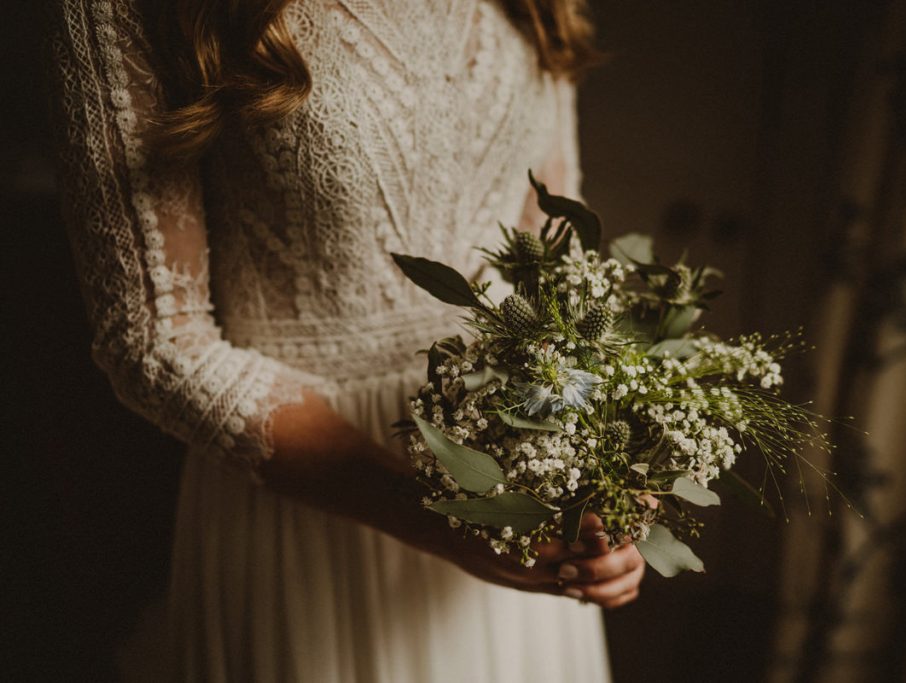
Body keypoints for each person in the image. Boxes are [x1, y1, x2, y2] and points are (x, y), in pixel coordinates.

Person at [50, 0, 645, 679]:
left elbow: (549, 272)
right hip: (305, 514)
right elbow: (153, 342)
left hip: (514, 499)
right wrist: (442, 517)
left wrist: (613, 486)